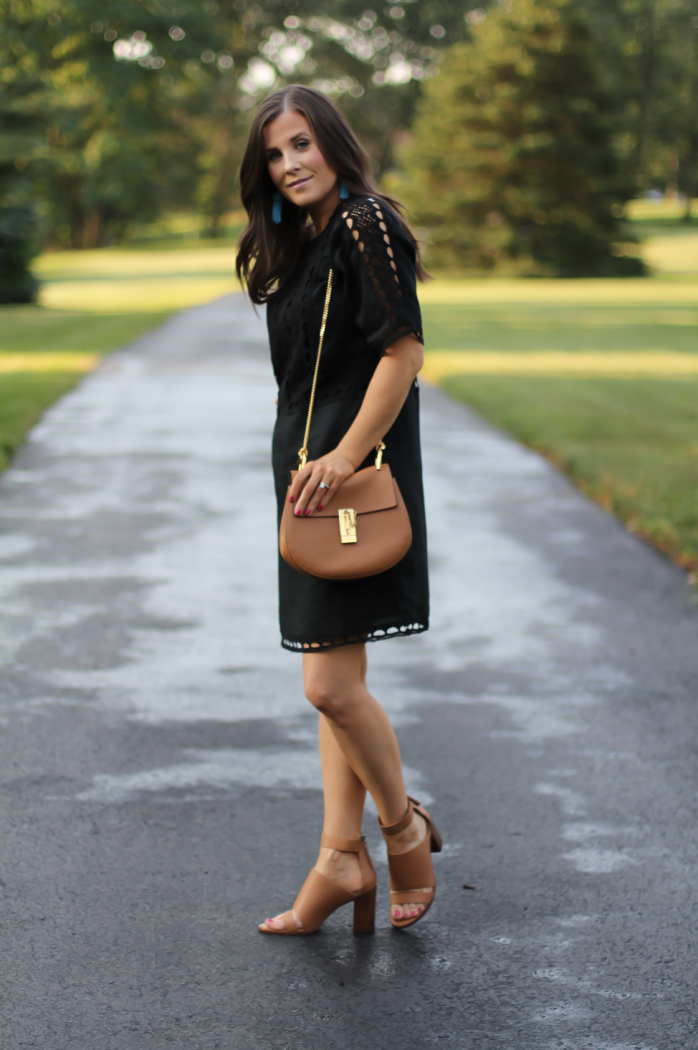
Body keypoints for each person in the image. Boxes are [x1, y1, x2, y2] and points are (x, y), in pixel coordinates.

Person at [236, 85, 441, 935]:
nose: (290, 165)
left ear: (333, 144)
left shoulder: (364, 223)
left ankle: (402, 832)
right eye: (276, 154)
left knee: (327, 685)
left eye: (302, 145)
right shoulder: (302, 239)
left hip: (349, 479)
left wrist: (344, 456)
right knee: (332, 674)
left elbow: (405, 350)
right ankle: (336, 854)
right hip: (307, 481)